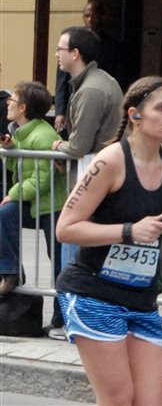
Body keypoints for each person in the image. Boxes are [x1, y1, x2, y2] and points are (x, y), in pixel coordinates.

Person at [55, 76, 162, 406]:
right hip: (94, 294)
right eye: (161, 108)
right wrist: (127, 230)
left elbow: (153, 232)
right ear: (135, 115)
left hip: (141, 298)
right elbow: (66, 228)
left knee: (150, 402)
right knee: (119, 399)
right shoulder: (110, 161)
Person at [0, 81, 67, 333]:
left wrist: (13, 193)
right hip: (36, 205)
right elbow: (20, 169)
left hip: (53, 206)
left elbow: (42, 179)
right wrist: (10, 150)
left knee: (58, 261)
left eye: (13, 100)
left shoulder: (42, 135)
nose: (8, 104)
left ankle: (62, 318)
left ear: (24, 107)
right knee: (5, 214)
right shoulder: (21, 132)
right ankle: (10, 272)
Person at [54, 0, 126, 135]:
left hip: (103, 103)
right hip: (74, 105)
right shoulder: (71, 44)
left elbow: (119, 76)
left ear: (102, 17)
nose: (90, 19)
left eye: (94, 15)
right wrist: (59, 112)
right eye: (87, 16)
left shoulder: (113, 46)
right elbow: (61, 83)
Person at [52, 26, 123, 163]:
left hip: (101, 168)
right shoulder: (98, 80)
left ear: (75, 54)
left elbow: (78, 147)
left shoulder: (90, 90)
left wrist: (59, 145)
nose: (56, 54)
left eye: (60, 49)